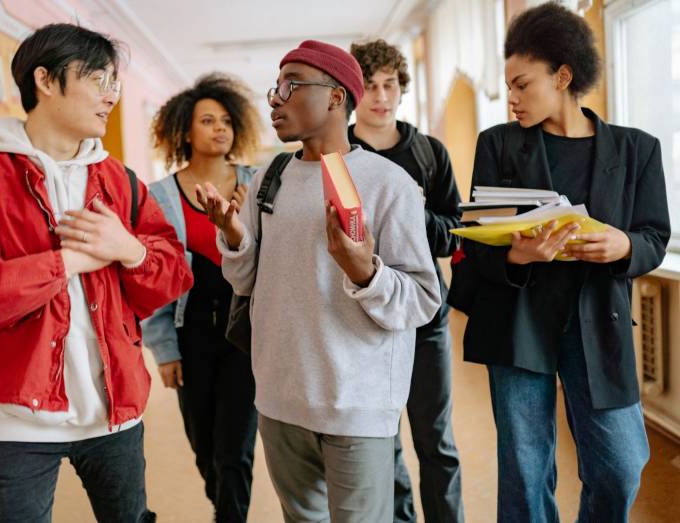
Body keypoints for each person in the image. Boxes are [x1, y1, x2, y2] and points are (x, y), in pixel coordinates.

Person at [0, 23, 193, 522]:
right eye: (98, 79)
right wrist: (71, 261)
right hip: (12, 420)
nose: (110, 95)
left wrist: (129, 250)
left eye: (114, 82)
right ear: (46, 81)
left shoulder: (118, 180)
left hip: (113, 409)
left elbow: (171, 276)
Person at [197, 40, 441, 523]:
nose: (275, 98)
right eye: (275, 87)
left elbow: (422, 300)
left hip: (357, 403)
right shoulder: (272, 176)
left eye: (291, 85)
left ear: (336, 96)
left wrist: (362, 270)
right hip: (280, 398)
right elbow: (245, 283)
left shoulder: (387, 183)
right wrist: (233, 235)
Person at [460, 3, 671, 521]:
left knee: (620, 465)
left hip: (598, 319)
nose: (511, 98)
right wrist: (516, 253)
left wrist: (623, 245)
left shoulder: (638, 150)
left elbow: (654, 236)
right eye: (507, 86)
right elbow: (479, 240)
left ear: (563, 75)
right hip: (519, 319)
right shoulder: (498, 145)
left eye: (522, 84)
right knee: (525, 471)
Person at [349, 38, 464, 523]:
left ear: (401, 88)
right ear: (353, 92)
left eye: (389, 84)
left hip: (424, 315)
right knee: (383, 439)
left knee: (435, 439)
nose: (380, 95)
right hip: (361, 317)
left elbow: (453, 234)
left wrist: (411, 210)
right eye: (370, 85)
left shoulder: (430, 153)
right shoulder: (337, 154)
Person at [142, 73, 262, 523]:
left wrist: (249, 219)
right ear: (184, 132)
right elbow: (152, 280)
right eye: (207, 120)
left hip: (244, 335)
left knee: (236, 447)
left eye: (226, 121)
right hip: (189, 334)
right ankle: (223, 506)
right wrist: (164, 350)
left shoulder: (258, 183)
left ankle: (230, 516)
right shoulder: (159, 196)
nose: (219, 129)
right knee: (204, 447)